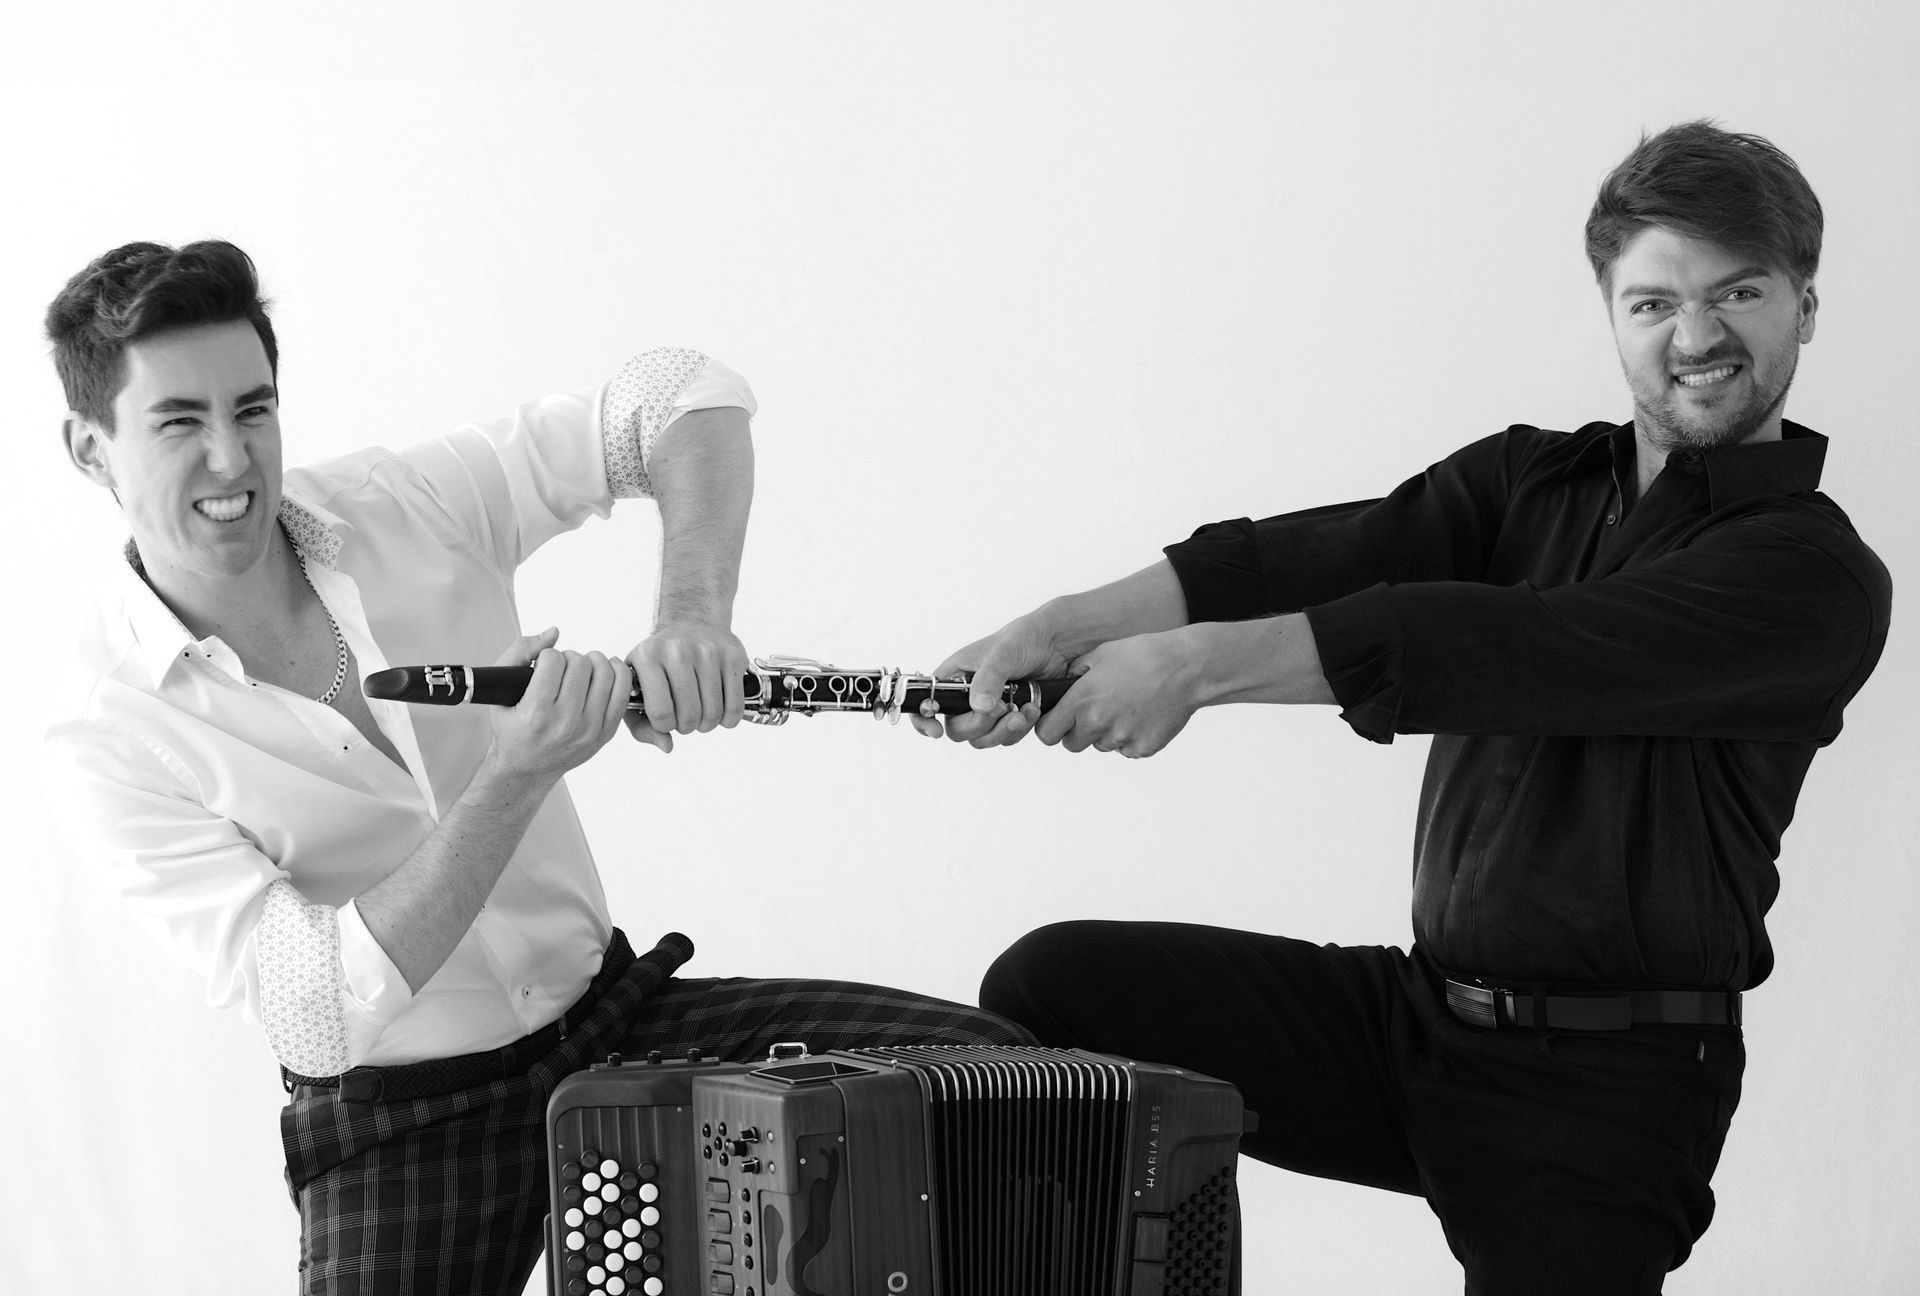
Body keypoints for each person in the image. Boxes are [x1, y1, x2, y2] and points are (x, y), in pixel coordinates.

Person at [913, 121, 1892, 1294]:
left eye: (1739, 291)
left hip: (1607, 1093)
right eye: (1653, 302)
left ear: (1805, 305)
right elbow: (1320, 556)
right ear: (1612, 313)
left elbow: (1512, 650)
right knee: (1051, 993)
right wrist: (1061, 628)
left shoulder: (1811, 577)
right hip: (1417, 1021)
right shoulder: (1535, 478)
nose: (1695, 337)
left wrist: (1192, 670)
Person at [41, 240, 1030, 1295]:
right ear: (91, 448)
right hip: (405, 1120)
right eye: (179, 422)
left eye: (253, 409)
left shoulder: (401, 502)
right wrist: (513, 778)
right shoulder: (109, 735)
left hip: (619, 1025)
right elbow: (319, 1010)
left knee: (999, 1082)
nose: (233, 459)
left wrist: (692, 618)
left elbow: (678, 394)